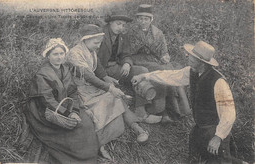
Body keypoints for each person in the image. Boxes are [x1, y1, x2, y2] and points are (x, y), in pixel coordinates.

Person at [132, 41, 237, 163]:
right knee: (195, 159)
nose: (188, 57)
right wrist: (145, 76)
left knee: (223, 161)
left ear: (202, 61)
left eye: (193, 57)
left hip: (215, 132)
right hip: (199, 130)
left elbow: (229, 112)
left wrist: (218, 137)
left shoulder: (218, 82)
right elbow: (170, 76)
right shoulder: (191, 72)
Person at [67, 24, 149, 159]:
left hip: (90, 87)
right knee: (107, 100)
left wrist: (106, 77)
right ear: (85, 39)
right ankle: (101, 144)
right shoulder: (74, 54)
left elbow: (97, 65)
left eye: (100, 43)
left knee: (116, 97)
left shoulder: (90, 50)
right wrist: (108, 87)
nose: (98, 46)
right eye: (96, 43)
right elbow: (88, 76)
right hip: (80, 90)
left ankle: (137, 128)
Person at [25, 38, 99, 164]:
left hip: (63, 104)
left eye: (61, 54)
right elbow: (46, 99)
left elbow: (72, 92)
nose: (59, 57)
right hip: (45, 110)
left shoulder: (65, 69)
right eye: (55, 54)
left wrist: (75, 110)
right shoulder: (42, 74)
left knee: (86, 122)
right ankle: (76, 159)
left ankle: (90, 158)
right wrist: (68, 113)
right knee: (75, 129)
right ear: (48, 56)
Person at [97, 10, 163, 124]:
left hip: (115, 67)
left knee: (142, 71)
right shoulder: (100, 35)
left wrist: (127, 63)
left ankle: (140, 111)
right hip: (101, 70)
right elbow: (93, 60)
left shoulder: (121, 37)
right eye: (118, 23)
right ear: (110, 23)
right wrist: (104, 76)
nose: (121, 27)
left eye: (123, 25)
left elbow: (126, 54)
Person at [128, 4, 190, 123]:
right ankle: (163, 111)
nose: (143, 22)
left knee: (171, 68)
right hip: (139, 60)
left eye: (146, 19)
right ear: (137, 19)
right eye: (140, 19)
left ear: (151, 19)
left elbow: (164, 52)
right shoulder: (131, 32)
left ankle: (177, 108)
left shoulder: (158, 33)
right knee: (162, 72)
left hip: (155, 60)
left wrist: (165, 57)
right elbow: (128, 51)